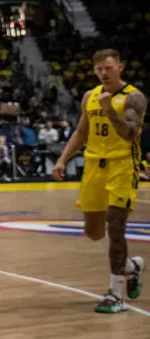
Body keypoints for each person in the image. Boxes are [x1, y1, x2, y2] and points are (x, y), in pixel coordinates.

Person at [52, 49, 146, 313]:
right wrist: (63, 159)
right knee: (94, 231)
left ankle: (116, 294)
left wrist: (110, 111)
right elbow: (82, 131)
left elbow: (129, 134)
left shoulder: (134, 98)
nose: (103, 73)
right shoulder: (89, 96)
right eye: (98, 69)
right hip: (94, 165)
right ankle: (132, 266)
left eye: (108, 68)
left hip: (123, 165)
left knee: (116, 226)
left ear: (120, 68)